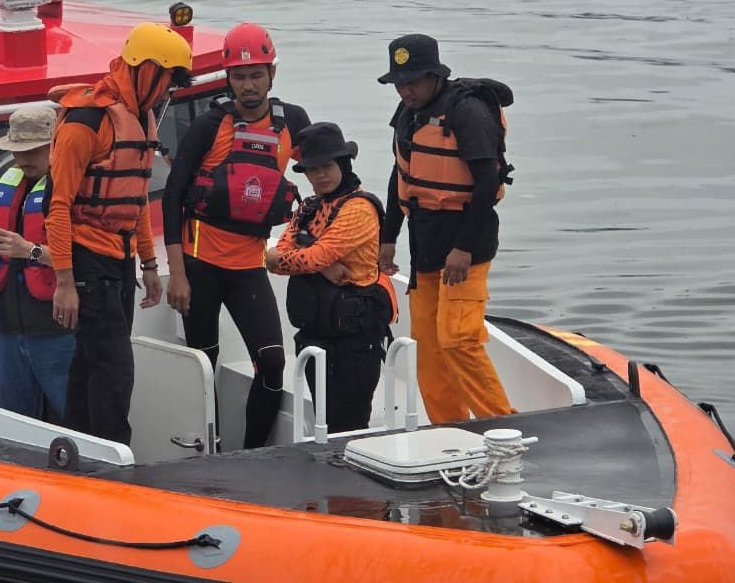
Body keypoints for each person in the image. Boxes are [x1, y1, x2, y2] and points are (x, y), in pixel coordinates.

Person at [161, 22, 311, 449]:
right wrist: (177, 274)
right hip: (199, 265)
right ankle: (209, 451)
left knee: (273, 363)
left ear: (272, 74)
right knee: (204, 364)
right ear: (228, 78)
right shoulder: (210, 126)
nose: (248, 85)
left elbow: (326, 171)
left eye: (256, 75)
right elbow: (172, 197)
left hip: (248, 265)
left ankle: (251, 454)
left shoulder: (293, 121)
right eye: (240, 77)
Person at [47, 22, 189, 444]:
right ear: (145, 70)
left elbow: (137, 197)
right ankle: (112, 457)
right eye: (166, 82)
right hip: (87, 260)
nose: (166, 93)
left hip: (120, 260)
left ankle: (77, 449)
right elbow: (57, 206)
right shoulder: (85, 122)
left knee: (91, 363)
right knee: (114, 370)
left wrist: (149, 264)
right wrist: (64, 282)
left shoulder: (142, 117)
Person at [377, 33, 514, 424]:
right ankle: (450, 427)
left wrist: (464, 248)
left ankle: (504, 425)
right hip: (425, 244)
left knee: (458, 339)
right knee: (429, 349)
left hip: (466, 244)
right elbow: (401, 175)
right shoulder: (408, 113)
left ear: (435, 75)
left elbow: (487, 181)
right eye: (399, 83)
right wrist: (389, 237)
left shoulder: (467, 111)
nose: (405, 90)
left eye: (413, 81)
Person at [266, 123, 396, 434]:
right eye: (313, 169)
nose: (320, 175)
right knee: (324, 422)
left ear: (343, 164)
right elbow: (274, 259)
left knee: (349, 425)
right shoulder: (309, 207)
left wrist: (306, 256)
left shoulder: (359, 209)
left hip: (354, 339)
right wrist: (322, 266)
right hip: (316, 333)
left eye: (327, 166)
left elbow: (303, 256)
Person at [0, 105, 74, 420]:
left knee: (71, 415)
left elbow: (87, 257)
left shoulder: (72, 187)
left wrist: (29, 251)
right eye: (17, 151)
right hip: (10, 329)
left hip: (57, 330)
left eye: (32, 150)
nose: (22, 159)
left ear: (54, 145)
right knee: (14, 419)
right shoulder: (9, 182)